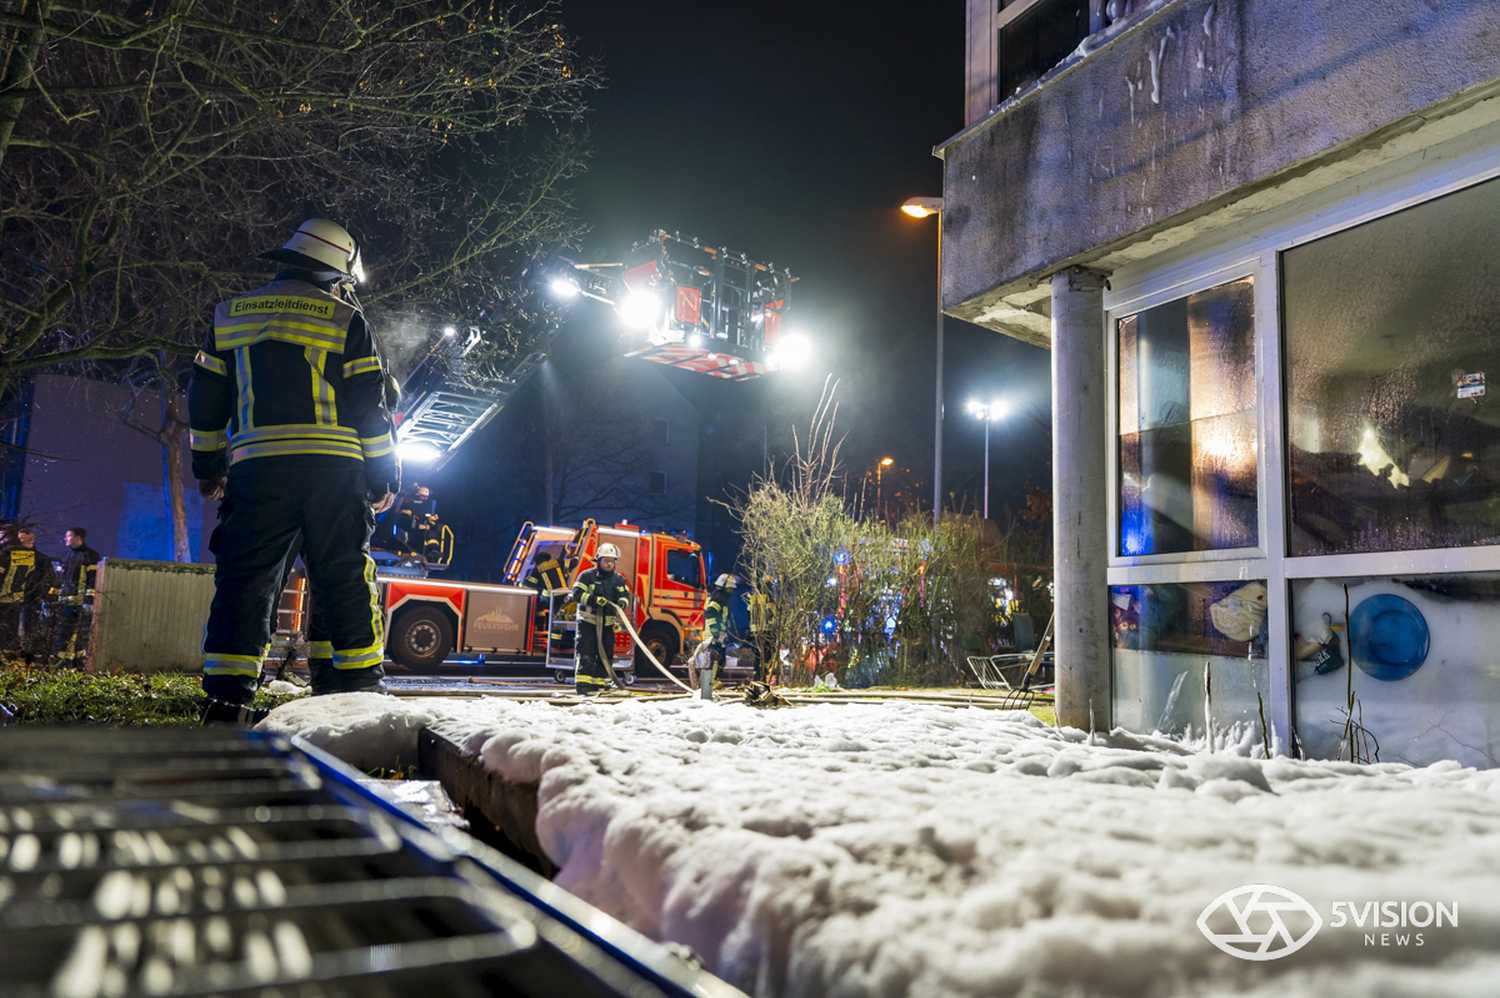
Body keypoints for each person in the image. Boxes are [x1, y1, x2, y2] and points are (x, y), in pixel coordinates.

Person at [189, 218, 400, 725]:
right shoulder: (344, 317)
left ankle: (227, 702)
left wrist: (209, 466)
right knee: (343, 577)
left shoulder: (228, 315)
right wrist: (382, 478)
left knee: (245, 583)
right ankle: (353, 693)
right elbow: (371, 409)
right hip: (333, 473)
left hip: (257, 470)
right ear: (337, 271)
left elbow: (204, 400)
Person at [570, 542, 633, 694]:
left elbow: (625, 596)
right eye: (606, 560)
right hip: (588, 622)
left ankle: (597, 686)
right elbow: (577, 594)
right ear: (598, 560)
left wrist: (620, 604)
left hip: (607, 624)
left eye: (612, 561)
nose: (609, 564)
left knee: (605, 657)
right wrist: (594, 600)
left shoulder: (618, 580)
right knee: (586, 654)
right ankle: (583, 687)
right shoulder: (587, 576)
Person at [0, 528, 56, 662]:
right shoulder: (28, 557)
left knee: (25, 630)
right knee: (12, 629)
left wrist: (41, 595)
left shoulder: (40, 559)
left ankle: (25, 657)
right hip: (18, 599)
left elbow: (48, 579)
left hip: (28, 600)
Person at [54, 527, 101, 668]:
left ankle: (66, 663)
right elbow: (59, 579)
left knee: (73, 632)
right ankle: (75, 662)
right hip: (65, 602)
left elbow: (93, 579)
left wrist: (89, 600)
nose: (65, 539)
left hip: (79, 601)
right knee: (70, 632)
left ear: (78, 538)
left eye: (68, 536)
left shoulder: (90, 556)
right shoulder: (66, 556)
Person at [704, 573, 738, 680]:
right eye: (729, 588)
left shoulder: (721, 598)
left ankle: (714, 682)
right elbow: (710, 613)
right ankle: (711, 684)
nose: (731, 591)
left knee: (720, 661)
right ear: (723, 587)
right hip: (714, 636)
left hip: (719, 636)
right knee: (716, 661)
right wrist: (715, 631)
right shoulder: (718, 598)